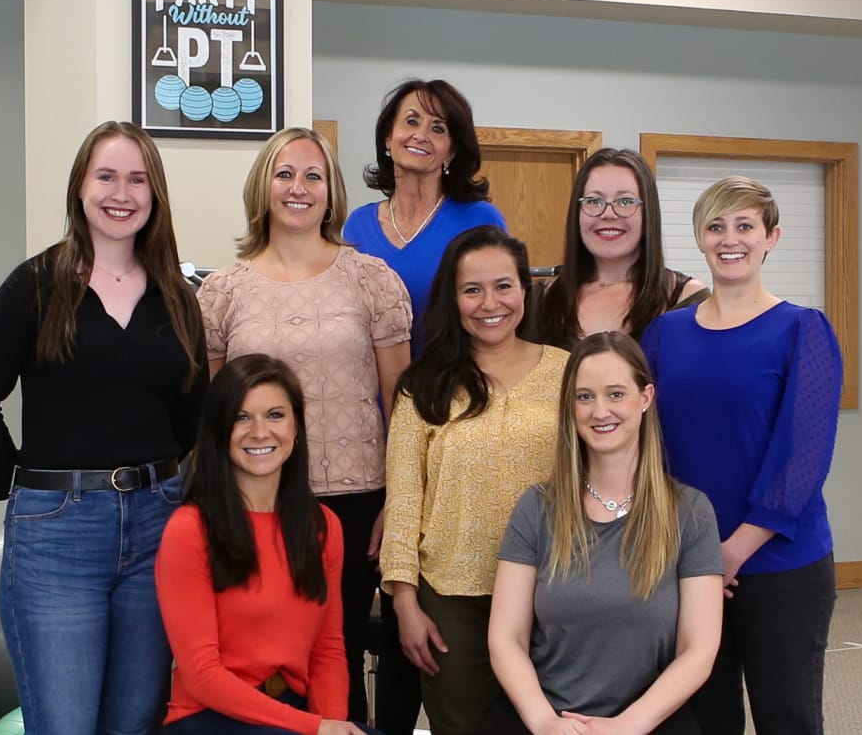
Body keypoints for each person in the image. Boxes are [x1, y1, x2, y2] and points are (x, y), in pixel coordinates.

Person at [0, 121, 209, 735]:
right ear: (80, 188)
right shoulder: (34, 286)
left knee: (137, 719)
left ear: (155, 194)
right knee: (64, 723)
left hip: (157, 526)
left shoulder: (177, 295)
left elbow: (192, 414)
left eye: (138, 179)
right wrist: (21, 486)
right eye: (107, 176)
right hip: (57, 536)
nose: (122, 193)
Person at [196, 127, 413, 725]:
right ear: (262, 187)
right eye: (284, 174)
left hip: (355, 501)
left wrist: (400, 501)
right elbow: (217, 414)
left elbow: (403, 403)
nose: (299, 188)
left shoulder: (371, 280)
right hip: (254, 504)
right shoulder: (222, 291)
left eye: (313, 175)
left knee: (335, 652)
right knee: (261, 660)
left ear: (331, 191)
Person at [642, 176, 842, 735]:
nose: (730, 239)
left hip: (781, 563)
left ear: (771, 238)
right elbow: (646, 445)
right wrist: (692, 551)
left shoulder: (804, 329)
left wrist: (733, 551)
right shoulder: (664, 334)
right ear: (700, 239)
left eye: (745, 226)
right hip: (687, 559)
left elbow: (803, 456)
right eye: (716, 226)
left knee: (787, 716)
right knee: (704, 719)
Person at [378, 225, 570, 735]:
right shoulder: (423, 385)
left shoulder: (568, 373)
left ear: (524, 290)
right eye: (472, 289)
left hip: (553, 592)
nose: (491, 303)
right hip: (453, 600)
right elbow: (403, 501)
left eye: (503, 286)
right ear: (453, 298)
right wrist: (403, 603)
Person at [486, 332, 723, 735]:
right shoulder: (537, 508)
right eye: (584, 397)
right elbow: (506, 638)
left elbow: (698, 651)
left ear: (645, 398)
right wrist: (544, 722)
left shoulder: (690, 513)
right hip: (546, 718)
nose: (600, 411)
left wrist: (629, 725)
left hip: (647, 720)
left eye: (616, 394)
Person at [156, 354, 370, 735]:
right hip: (211, 717)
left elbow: (328, 649)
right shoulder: (189, 529)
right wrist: (313, 728)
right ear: (219, 431)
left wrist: (332, 724)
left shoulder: (323, 527)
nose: (260, 432)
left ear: (297, 427)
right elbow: (202, 674)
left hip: (294, 711)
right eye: (242, 417)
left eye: (275, 415)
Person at [342, 79, 508, 331]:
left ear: (451, 152)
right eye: (411, 121)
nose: (420, 135)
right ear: (388, 137)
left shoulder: (480, 220)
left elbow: (500, 313)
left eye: (438, 128)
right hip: (371, 370)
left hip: (455, 370)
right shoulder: (358, 225)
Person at [526, 150, 707, 348]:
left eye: (626, 201)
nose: (608, 213)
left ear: (648, 214)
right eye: (594, 201)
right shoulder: (537, 302)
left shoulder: (687, 299)